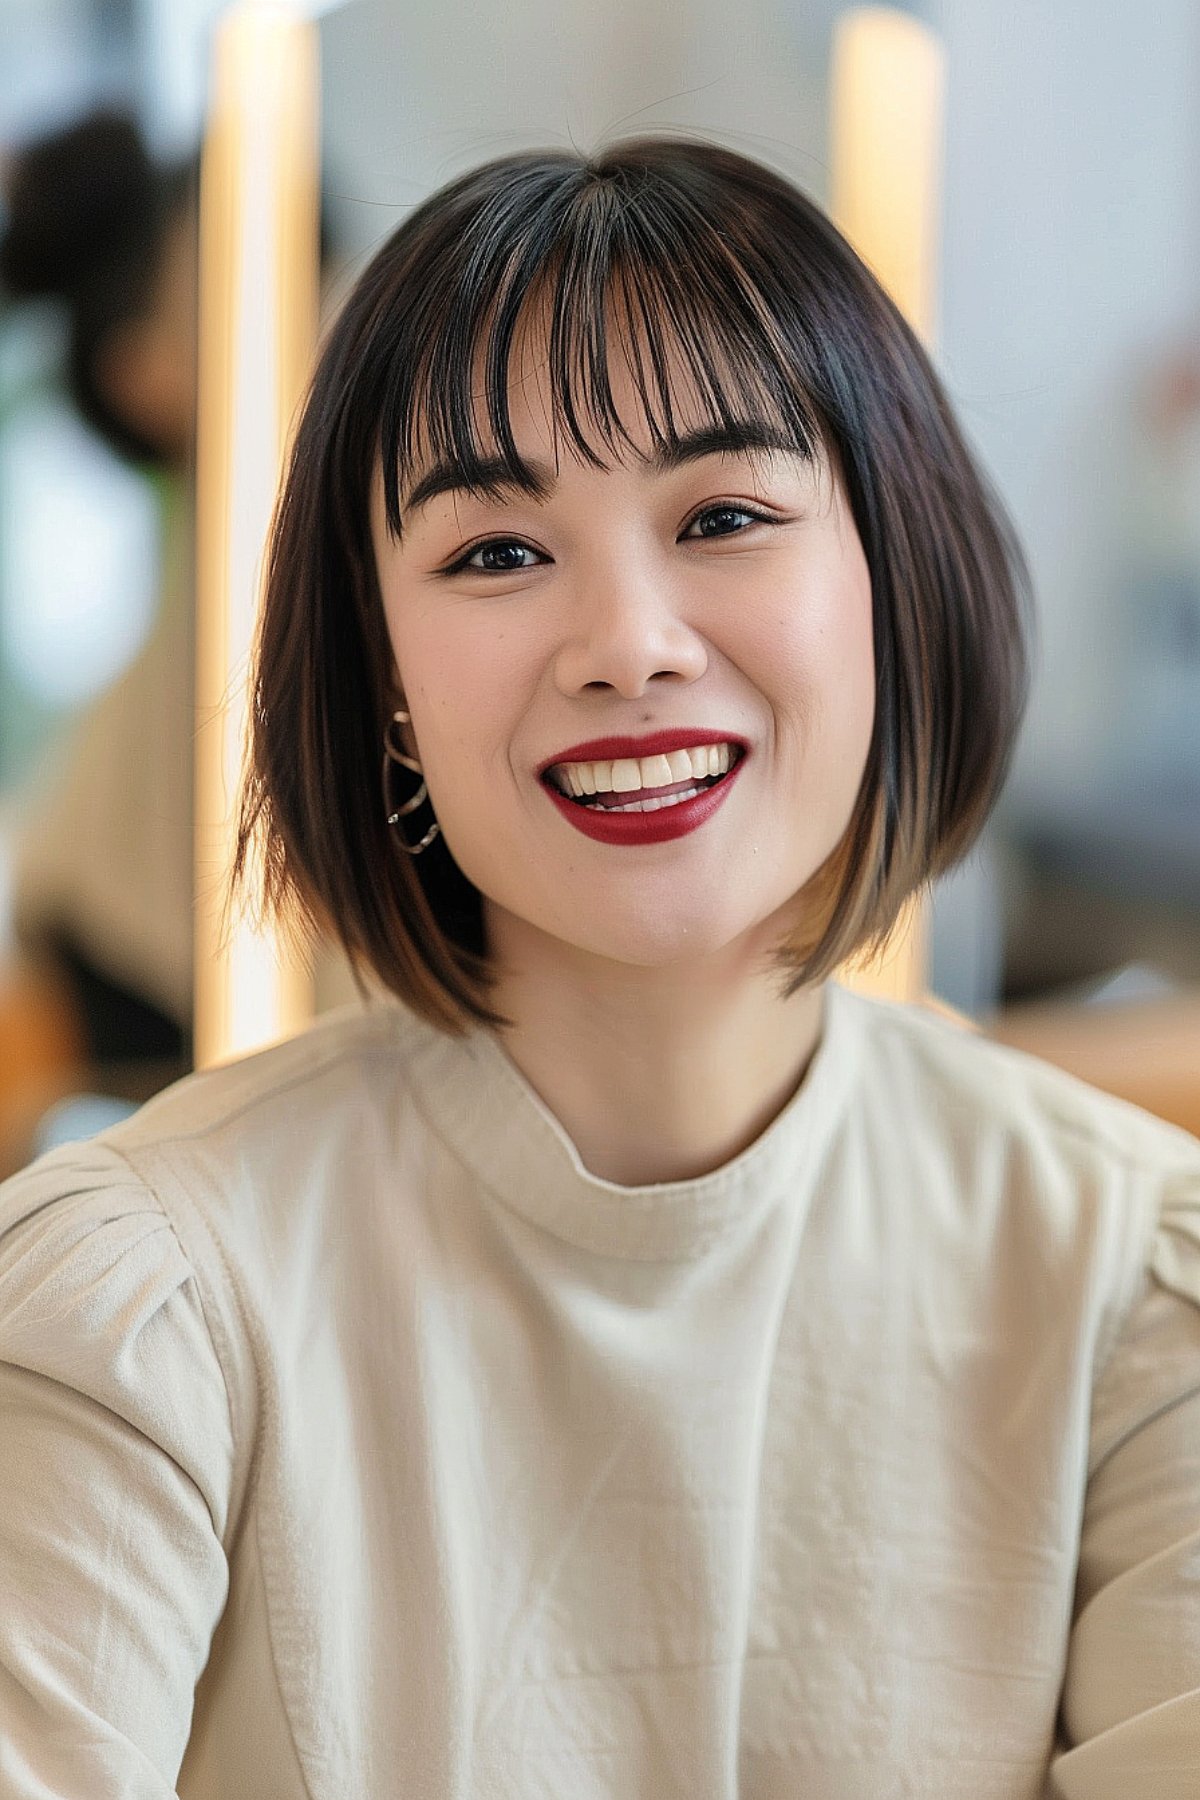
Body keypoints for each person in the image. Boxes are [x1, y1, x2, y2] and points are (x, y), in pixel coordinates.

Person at [0, 137, 1197, 1798]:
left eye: (725, 515)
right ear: (386, 679)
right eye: (494, 552)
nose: (629, 643)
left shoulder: (1140, 1294)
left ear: (889, 587)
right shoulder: (143, 1314)